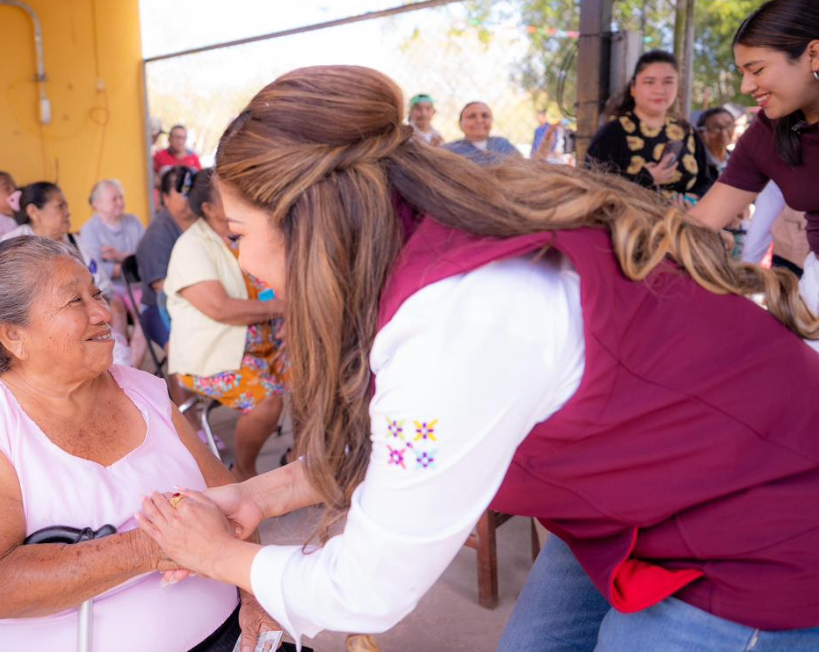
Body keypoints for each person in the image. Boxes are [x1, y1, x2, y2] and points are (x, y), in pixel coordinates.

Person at [133, 65, 819, 651]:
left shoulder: (458, 320)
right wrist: (260, 492)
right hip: (644, 503)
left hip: (757, 540)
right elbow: (418, 447)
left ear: (310, 218)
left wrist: (224, 560)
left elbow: (366, 591)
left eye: (237, 233)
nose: (244, 265)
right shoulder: (431, 244)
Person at [0, 236, 280, 651]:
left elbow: (229, 501)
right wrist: (153, 547)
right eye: (75, 302)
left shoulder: (144, 391)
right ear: (13, 335)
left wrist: (255, 598)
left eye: (98, 294)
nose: (103, 312)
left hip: (230, 633)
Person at [690, 0, 819, 336]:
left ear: (814, 54)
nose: (747, 86)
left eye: (757, 69)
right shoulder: (767, 132)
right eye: (742, 72)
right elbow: (699, 224)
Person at [164, 168, 287, 481]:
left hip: (264, 345)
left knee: (321, 376)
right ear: (208, 208)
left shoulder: (239, 235)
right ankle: (243, 472)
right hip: (212, 357)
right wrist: (281, 307)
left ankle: (311, 461)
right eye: (228, 194)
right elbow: (219, 307)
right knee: (266, 403)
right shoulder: (192, 246)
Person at [0, 182, 142, 367]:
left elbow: (101, 285)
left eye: (66, 205)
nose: (68, 212)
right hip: (42, 331)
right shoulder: (13, 246)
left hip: (84, 321)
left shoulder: (75, 241)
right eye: (60, 206)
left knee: (118, 359)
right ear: (34, 211)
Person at [586, 51, 714, 200]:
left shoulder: (686, 131)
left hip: (680, 221)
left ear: (677, 86)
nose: (659, 90)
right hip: (627, 222)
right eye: (649, 81)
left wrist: (691, 198)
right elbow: (589, 183)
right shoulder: (612, 133)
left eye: (668, 82)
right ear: (633, 87)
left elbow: (707, 181)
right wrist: (647, 178)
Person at [136, 166, 199, 347]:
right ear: (166, 198)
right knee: (188, 349)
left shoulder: (201, 222)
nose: (189, 196)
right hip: (159, 308)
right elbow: (162, 288)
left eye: (191, 190)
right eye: (181, 191)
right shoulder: (157, 235)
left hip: (194, 300)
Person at [78, 179, 145, 286]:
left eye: (121, 197)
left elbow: (148, 257)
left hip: (139, 285)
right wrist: (135, 264)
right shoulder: (89, 229)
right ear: (97, 204)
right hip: (108, 289)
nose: (121, 202)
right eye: (114, 199)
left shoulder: (134, 221)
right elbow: (94, 269)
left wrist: (119, 256)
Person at [445, 102, 522, 164]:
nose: (479, 120)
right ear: (460, 124)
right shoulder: (450, 151)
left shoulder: (503, 144)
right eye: (472, 116)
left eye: (485, 116)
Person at [696, 106, 737, 179]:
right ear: (702, 132)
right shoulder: (694, 165)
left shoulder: (737, 161)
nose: (723, 133)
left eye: (728, 126)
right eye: (715, 127)